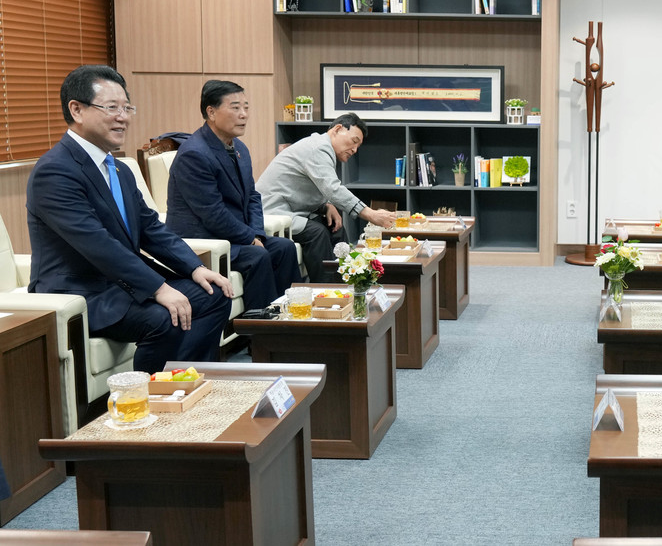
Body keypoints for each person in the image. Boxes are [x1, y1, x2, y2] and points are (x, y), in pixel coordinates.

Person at [26, 65, 233, 373]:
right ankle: (148, 402)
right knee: (164, 318)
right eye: (112, 108)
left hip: (121, 283)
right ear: (77, 110)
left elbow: (151, 228)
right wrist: (159, 288)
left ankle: (185, 380)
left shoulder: (118, 169)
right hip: (83, 290)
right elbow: (98, 245)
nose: (123, 117)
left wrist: (195, 267)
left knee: (214, 294)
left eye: (126, 108)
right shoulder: (55, 171)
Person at [166, 80, 301, 310]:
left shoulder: (239, 148)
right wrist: (250, 239)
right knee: (258, 257)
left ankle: (291, 317)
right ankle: (259, 332)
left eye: (246, 107)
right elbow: (212, 213)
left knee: (284, 248)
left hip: (235, 236)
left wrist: (256, 233)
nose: (244, 115)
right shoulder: (194, 154)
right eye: (235, 107)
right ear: (211, 111)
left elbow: (252, 197)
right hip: (205, 240)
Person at [256, 113, 396, 279]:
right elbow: (333, 188)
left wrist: (327, 205)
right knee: (318, 233)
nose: (354, 150)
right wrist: (370, 214)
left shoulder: (323, 148)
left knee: (335, 229)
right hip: (273, 212)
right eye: (354, 141)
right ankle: (327, 291)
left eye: (358, 146)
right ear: (337, 129)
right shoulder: (318, 148)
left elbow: (319, 186)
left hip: (294, 211)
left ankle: (348, 282)